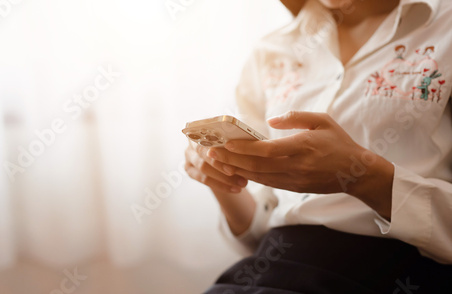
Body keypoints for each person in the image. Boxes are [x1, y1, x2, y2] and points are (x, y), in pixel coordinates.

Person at [184, 0, 452, 293]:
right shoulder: (273, 50)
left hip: (395, 272)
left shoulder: (444, 28)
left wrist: (364, 177)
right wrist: (221, 176)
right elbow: (257, 232)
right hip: (270, 270)